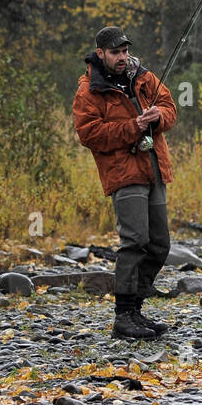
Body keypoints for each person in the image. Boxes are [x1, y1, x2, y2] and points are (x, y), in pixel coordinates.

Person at [72, 26, 178, 340]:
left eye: (125, 51)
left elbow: (171, 110)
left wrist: (157, 118)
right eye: (116, 52)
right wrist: (134, 127)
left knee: (160, 245)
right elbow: (89, 135)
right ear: (101, 53)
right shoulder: (89, 89)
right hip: (123, 174)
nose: (122, 57)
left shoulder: (144, 77)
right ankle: (123, 316)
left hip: (154, 169)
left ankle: (136, 310)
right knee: (134, 242)